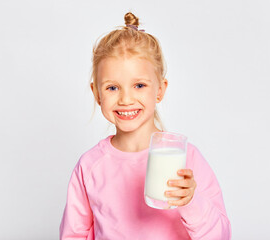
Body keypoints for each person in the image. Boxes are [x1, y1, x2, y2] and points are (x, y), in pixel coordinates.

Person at [59, 12, 231, 240]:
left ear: (159, 89)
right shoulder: (90, 167)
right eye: (112, 88)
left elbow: (221, 235)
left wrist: (190, 201)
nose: (126, 99)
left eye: (139, 85)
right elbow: (74, 234)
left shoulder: (185, 158)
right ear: (97, 94)